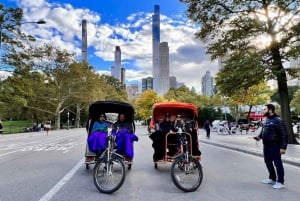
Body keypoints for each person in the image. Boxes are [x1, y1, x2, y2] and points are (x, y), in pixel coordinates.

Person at [254, 104, 288, 189]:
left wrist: (283, 147)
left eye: (264, 109)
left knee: (277, 163)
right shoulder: (267, 120)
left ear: (270, 110)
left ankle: (280, 181)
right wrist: (259, 137)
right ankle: (272, 178)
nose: (263, 110)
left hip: (275, 145)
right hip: (266, 145)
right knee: (267, 161)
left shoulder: (278, 120)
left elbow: (284, 134)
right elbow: (263, 131)